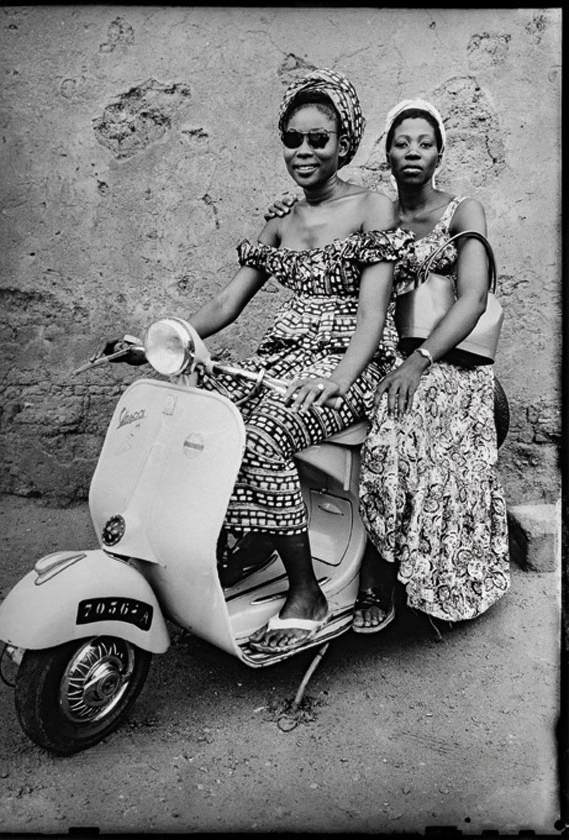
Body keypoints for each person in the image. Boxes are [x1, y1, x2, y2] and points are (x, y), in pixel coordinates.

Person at [101, 69, 414, 654]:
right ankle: (236, 547)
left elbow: (373, 314)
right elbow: (227, 302)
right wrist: (157, 341)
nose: (303, 151)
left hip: (349, 363)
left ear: (344, 142)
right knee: (207, 415)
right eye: (293, 139)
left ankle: (306, 591)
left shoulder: (373, 207)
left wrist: (339, 378)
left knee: (264, 433)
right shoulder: (279, 219)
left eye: (318, 139)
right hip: (280, 357)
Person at [265, 98, 510, 633]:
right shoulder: (376, 212)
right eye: (401, 143)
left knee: (404, 412)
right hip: (383, 351)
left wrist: (419, 361)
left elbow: (471, 298)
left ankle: (382, 566)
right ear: (387, 153)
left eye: (424, 143)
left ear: (440, 152)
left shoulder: (462, 211)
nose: (413, 152)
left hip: (444, 358)